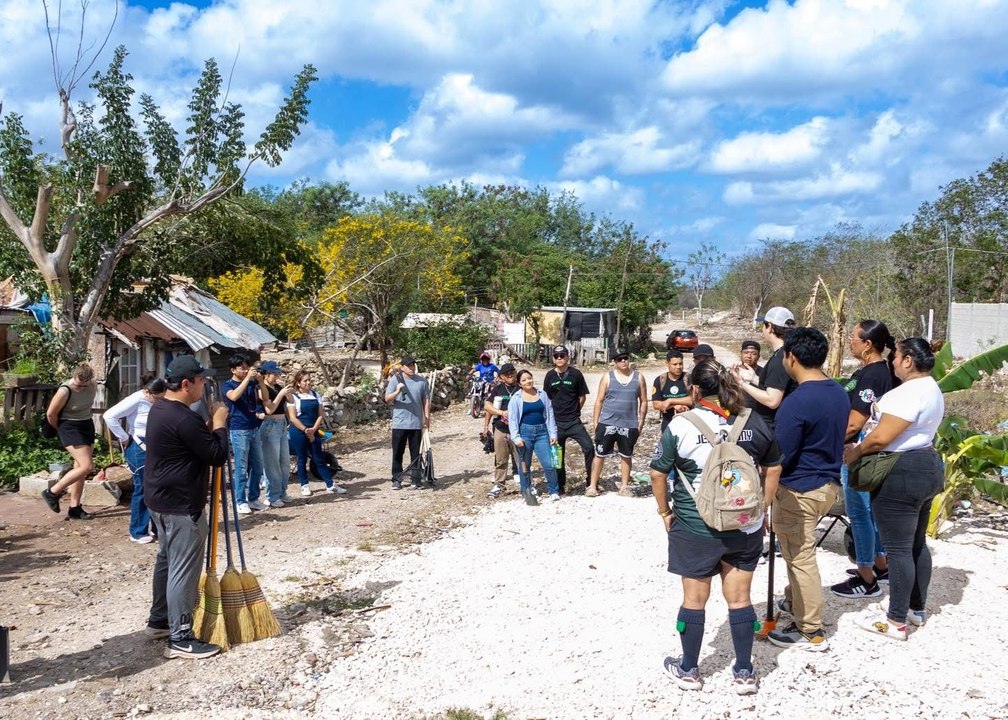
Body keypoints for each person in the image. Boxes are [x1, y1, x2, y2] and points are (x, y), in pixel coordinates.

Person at [650, 360, 782, 694]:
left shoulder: (681, 425)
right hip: (744, 525)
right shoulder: (753, 421)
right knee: (739, 598)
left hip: (696, 527)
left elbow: (657, 473)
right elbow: (774, 467)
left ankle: (690, 669)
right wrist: (761, 511)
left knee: (694, 599)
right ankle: (744, 672)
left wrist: (665, 512)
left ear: (695, 389)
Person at [845, 338, 945, 641]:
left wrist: (856, 451)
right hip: (926, 463)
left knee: (898, 549)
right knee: (916, 544)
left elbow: (881, 438)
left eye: (896, 356)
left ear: (908, 361)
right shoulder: (932, 388)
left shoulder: (907, 393)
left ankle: (895, 620)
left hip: (901, 470)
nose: (892, 361)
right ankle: (916, 609)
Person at [767, 327, 849, 651]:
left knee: (801, 557)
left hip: (799, 491)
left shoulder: (796, 402)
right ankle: (795, 602)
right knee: (795, 553)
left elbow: (778, 457)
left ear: (792, 357)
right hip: (827, 486)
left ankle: (810, 629)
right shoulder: (838, 392)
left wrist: (763, 494)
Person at [144, 355, 229, 659]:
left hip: (160, 500)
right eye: (201, 380)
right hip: (181, 505)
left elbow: (194, 442)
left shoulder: (161, 410)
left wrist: (208, 424)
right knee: (182, 570)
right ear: (185, 384)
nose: (205, 384)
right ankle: (180, 636)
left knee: (167, 561)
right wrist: (219, 423)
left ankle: (159, 621)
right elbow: (216, 454)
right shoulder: (182, 416)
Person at [829, 320, 897, 599]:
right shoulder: (873, 371)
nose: (849, 340)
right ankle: (881, 565)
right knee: (870, 513)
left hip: (858, 453)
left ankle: (866, 576)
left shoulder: (874, 376)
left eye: (853, 337)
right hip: (868, 453)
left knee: (859, 514)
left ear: (868, 344)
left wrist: (828, 444)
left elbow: (856, 422)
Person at [102, 375, 167, 543]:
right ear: (147, 392)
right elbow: (109, 416)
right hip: (138, 447)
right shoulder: (136, 399)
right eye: (155, 398)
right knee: (143, 488)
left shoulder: (157, 399)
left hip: (155, 447)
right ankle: (138, 531)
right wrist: (123, 437)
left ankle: (156, 528)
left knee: (156, 488)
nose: (157, 401)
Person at [41, 363, 98, 520]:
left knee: (79, 466)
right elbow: (51, 414)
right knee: (87, 466)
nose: (79, 388)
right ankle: (52, 492)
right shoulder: (65, 389)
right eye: (77, 384)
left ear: (90, 381)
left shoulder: (93, 385)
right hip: (68, 425)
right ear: (74, 376)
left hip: (86, 423)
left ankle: (75, 508)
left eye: (82, 386)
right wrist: (60, 430)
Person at [587, 348, 648, 497]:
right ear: (614, 362)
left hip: (629, 424)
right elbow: (599, 400)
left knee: (626, 455)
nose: (623, 361)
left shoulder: (638, 377)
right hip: (607, 422)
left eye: (625, 358)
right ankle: (592, 486)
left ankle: (624, 487)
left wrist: (640, 423)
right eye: (619, 359)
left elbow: (644, 401)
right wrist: (596, 422)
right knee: (600, 454)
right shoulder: (607, 377)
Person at [735, 307, 797, 430]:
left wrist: (742, 384)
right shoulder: (785, 353)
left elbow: (772, 400)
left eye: (764, 325)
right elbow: (779, 386)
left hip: (775, 427)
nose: (762, 329)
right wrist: (754, 379)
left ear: (770, 327)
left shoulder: (780, 358)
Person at [543, 345, 593, 495]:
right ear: (553, 358)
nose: (559, 358)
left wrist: (575, 411)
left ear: (567, 357)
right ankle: (560, 486)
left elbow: (582, 396)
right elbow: (546, 398)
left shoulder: (576, 374)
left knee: (589, 447)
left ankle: (591, 481)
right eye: (556, 356)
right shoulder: (549, 376)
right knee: (557, 455)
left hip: (573, 421)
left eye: (562, 355)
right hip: (556, 423)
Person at [287, 370, 345, 496]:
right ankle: (304, 485)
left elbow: (320, 414)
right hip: (298, 431)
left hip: (313, 430)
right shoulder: (293, 398)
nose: (308, 383)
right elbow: (292, 418)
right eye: (305, 381)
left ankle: (330, 484)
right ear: (298, 383)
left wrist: (313, 429)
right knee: (301, 458)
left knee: (318, 458)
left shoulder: (315, 395)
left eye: (309, 380)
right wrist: (305, 430)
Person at [507, 369, 559, 504]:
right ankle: (526, 490)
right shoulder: (516, 398)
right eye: (523, 380)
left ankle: (553, 490)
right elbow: (512, 420)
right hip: (525, 433)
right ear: (519, 383)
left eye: (529, 378)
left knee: (549, 463)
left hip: (542, 432)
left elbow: (550, 414)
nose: (527, 381)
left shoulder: (542, 394)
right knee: (525, 464)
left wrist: (553, 433)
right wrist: (516, 437)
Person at [222, 354, 266, 515]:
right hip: (239, 429)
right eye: (242, 368)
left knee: (258, 465)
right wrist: (248, 379)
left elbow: (264, 398)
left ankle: (253, 498)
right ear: (233, 370)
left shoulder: (252, 383)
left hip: (254, 427)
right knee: (241, 467)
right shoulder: (227, 385)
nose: (246, 370)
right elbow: (233, 396)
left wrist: (260, 381)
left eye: (247, 367)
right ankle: (240, 501)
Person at [383, 355, 431, 490]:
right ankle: (397, 478)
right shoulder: (395, 380)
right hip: (400, 423)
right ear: (402, 367)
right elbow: (387, 398)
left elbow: (426, 401)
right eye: (409, 366)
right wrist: (397, 390)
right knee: (398, 452)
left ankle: (416, 479)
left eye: (413, 365)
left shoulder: (421, 381)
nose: (412, 368)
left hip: (416, 423)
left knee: (416, 453)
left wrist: (427, 418)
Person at [258, 360, 296, 507]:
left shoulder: (277, 386)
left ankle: (282, 491)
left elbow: (290, 401)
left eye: (277, 373)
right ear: (266, 375)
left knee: (285, 462)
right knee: (272, 463)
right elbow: (269, 409)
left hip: (281, 424)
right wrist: (280, 394)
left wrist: (288, 393)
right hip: (270, 424)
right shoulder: (262, 389)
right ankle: (272, 496)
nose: (277, 376)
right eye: (274, 373)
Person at [484, 363, 520, 498]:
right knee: (501, 458)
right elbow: (487, 406)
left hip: (519, 429)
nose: (510, 375)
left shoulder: (521, 387)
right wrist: (501, 413)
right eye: (506, 374)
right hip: (501, 428)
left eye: (511, 372)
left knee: (521, 457)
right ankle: (499, 484)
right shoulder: (498, 390)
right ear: (501, 377)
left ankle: (526, 483)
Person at [651, 349, 692, 433]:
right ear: (667, 363)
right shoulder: (660, 380)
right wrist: (674, 406)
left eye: (680, 364)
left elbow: (693, 399)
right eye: (675, 364)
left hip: (688, 424)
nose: (678, 367)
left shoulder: (689, 378)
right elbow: (656, 404)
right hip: (668, 424)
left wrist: (670, 401)